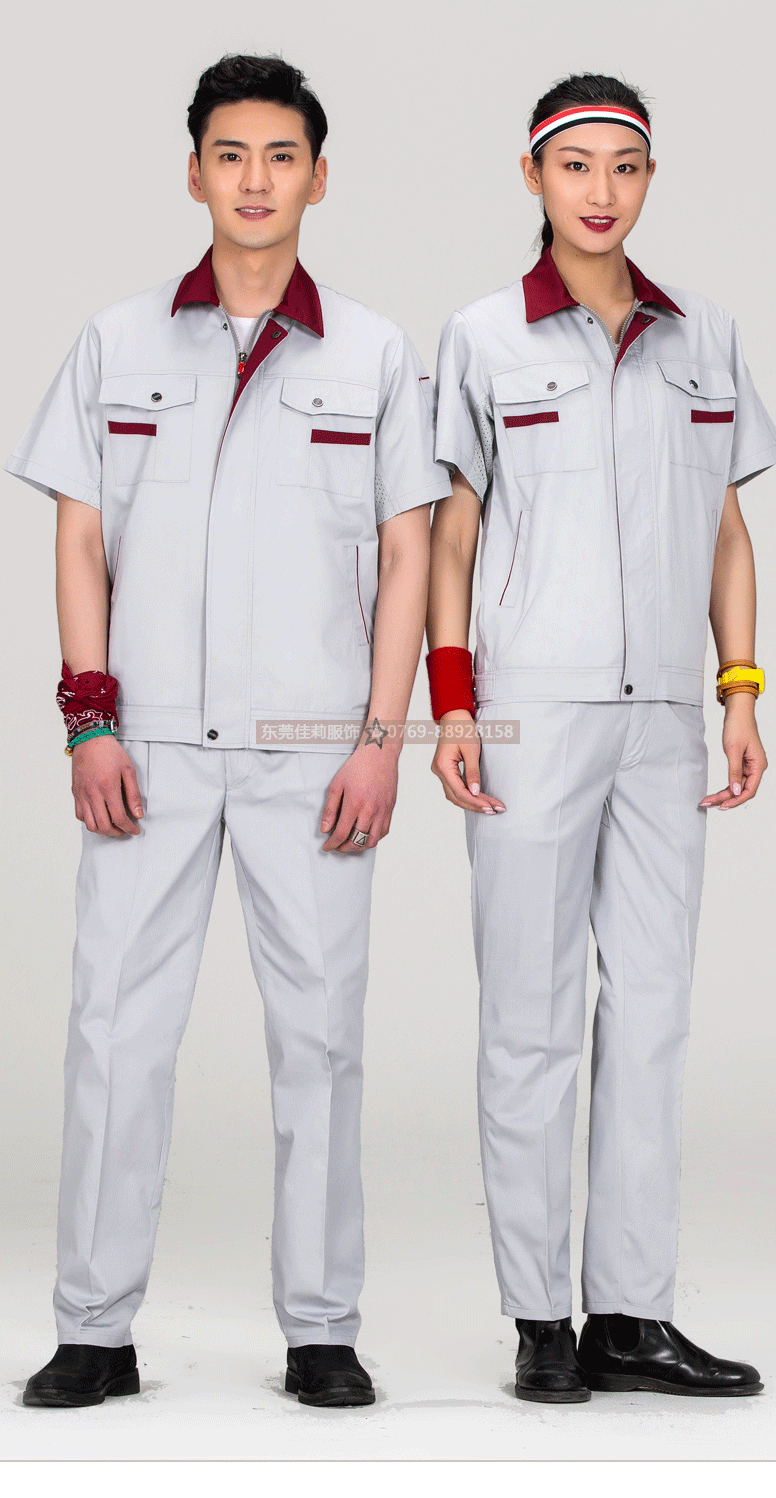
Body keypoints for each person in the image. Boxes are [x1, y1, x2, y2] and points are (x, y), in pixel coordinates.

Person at [6, 52, 451, 1410]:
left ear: (318, 177)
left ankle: (320, 1328)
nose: (255, 178)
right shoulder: (117, 342)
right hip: (145, 747)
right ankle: (94, 1327)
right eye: (230, 153)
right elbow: (79, 536)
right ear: (194, 171)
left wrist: (380, 739)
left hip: (313, 752)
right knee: (113, 1033)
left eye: (280, 155)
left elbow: (408, 553)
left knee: (321, 1039)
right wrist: (88, 720)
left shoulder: (374, 354)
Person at [426, 73, 776, 1403]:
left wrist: (739, 691)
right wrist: (452, 701)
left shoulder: (705, 337)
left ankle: (630, 1315)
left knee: (650, 1016)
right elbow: (451, 536)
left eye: (623, 166)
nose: (599, 190)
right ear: (532, 178)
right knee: (528, 1015)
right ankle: (540, 1317)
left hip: (664, 721)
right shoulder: (483, 337)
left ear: (648, 180)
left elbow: (728, 530)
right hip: (533, 709)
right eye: (574, 165)